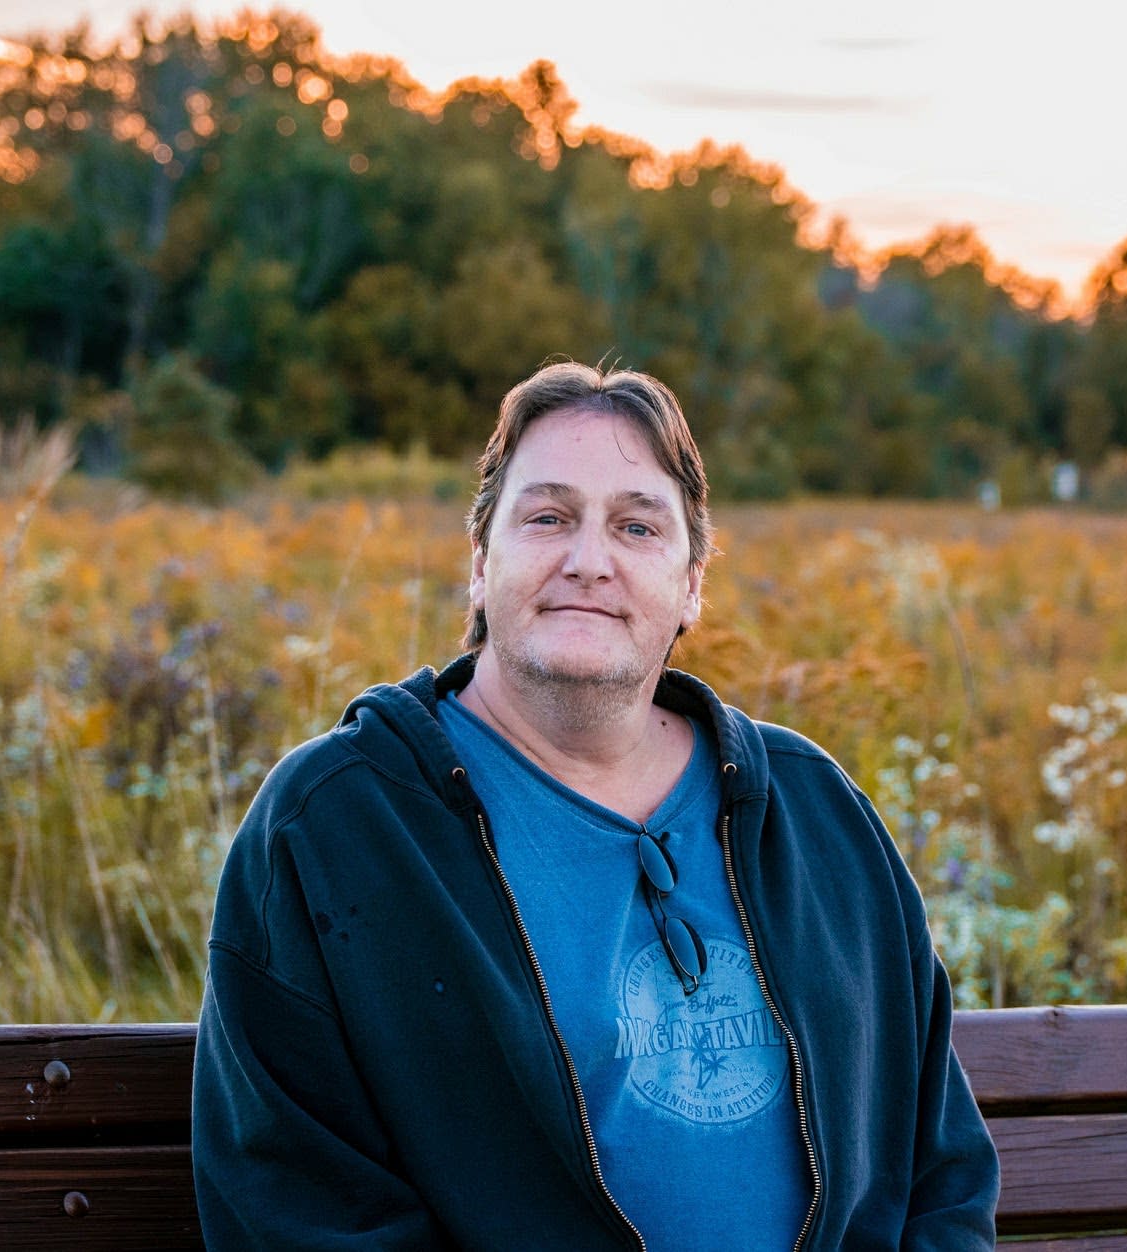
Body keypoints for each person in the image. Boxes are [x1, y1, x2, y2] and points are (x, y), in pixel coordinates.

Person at [192, 361, 1000, 1250]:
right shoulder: (338, 828)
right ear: (480, 564)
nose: (588, 561)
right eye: (547, 518)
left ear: (691, 582)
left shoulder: (813, 811)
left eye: (636, 526)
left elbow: (941, 1169)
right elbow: (298, 1206)